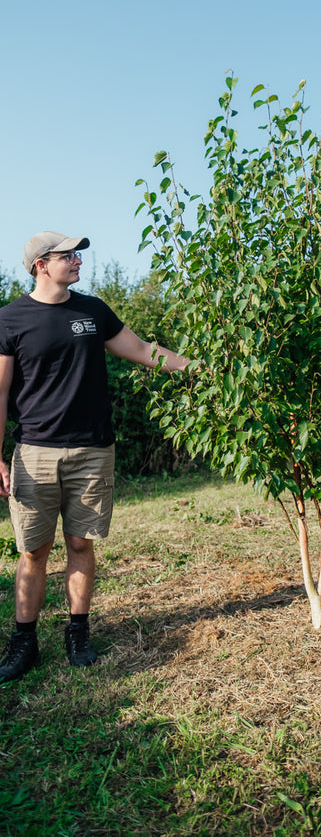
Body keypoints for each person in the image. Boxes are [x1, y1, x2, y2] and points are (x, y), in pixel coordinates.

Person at [0, 230, 190, 683]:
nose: (77, 261)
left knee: (81, 543)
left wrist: (198, 369)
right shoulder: (11, 319)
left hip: (92, 449)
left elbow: (143, 351)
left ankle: (77, 634)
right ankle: (23, 643)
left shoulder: (93, 310)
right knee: (33, 551)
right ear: (40, 264)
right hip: (36, 451)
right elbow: (1, 391)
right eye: (67, 255)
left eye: (77, 255)